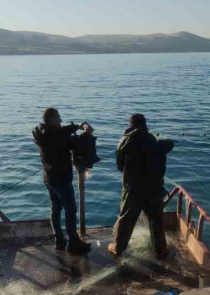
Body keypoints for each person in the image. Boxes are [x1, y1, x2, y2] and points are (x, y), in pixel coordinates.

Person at [108, 114, 174, 259]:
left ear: (130, 125)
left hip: (133, 189)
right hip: (154, 188)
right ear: (145, 124)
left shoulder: (124, 141)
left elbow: (120, 166)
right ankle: (160, 250)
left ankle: (117, 248)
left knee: (126, 219)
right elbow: (167, 146)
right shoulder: (152, 140)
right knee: (155, 219)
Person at [32, 108, 93, 254]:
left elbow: (61, 132)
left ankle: (59, 240)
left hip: (48, 178)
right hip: (61, 179)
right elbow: (75, 142)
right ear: (52, 119)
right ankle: (73, 241)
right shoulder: (56, 136)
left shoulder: (42, 132)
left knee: (55, 208)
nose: (60, 120)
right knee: (70, 209)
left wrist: (76, 126)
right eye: (58, 118)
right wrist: (87, 133)